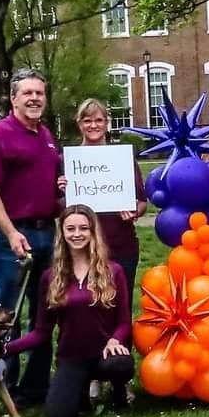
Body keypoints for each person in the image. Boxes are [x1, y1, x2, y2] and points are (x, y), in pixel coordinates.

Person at [0, 67, 62, 405]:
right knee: (5, 316)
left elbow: (51, 188)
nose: (34, 98)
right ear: (13, 98)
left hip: (47, 232)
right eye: (27, 93)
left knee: (44, 312)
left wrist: (62, 192)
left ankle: (36, 386)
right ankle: (5, 384)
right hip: (13, 237)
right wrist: (11, 232)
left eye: (39, 93)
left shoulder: (46, 136)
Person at [6, 205, 133, 417]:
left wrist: (115, 340)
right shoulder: (50, 277)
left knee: (120, 364)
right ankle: (80, 389)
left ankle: (119, 388)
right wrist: (4, 349)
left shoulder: (113, 271)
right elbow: (40, 332)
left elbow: (124, 322)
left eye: (84, 228)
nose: (77, 234)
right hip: (72, 358)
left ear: (93, 232)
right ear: (62, 233)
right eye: (70, 229)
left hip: (105, 355)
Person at [71, 99, 147, 294]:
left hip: (120, 243)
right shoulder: (69, 161)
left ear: (106, 123)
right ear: (79, 124)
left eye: (98, 120)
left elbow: (141, 202)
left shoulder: (122, 158)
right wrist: (63, 189)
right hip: (81, 246)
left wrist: (134, 213)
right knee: (86, 305)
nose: (93, 125)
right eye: (87, 121)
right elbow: (57, 205)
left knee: (121, 304)